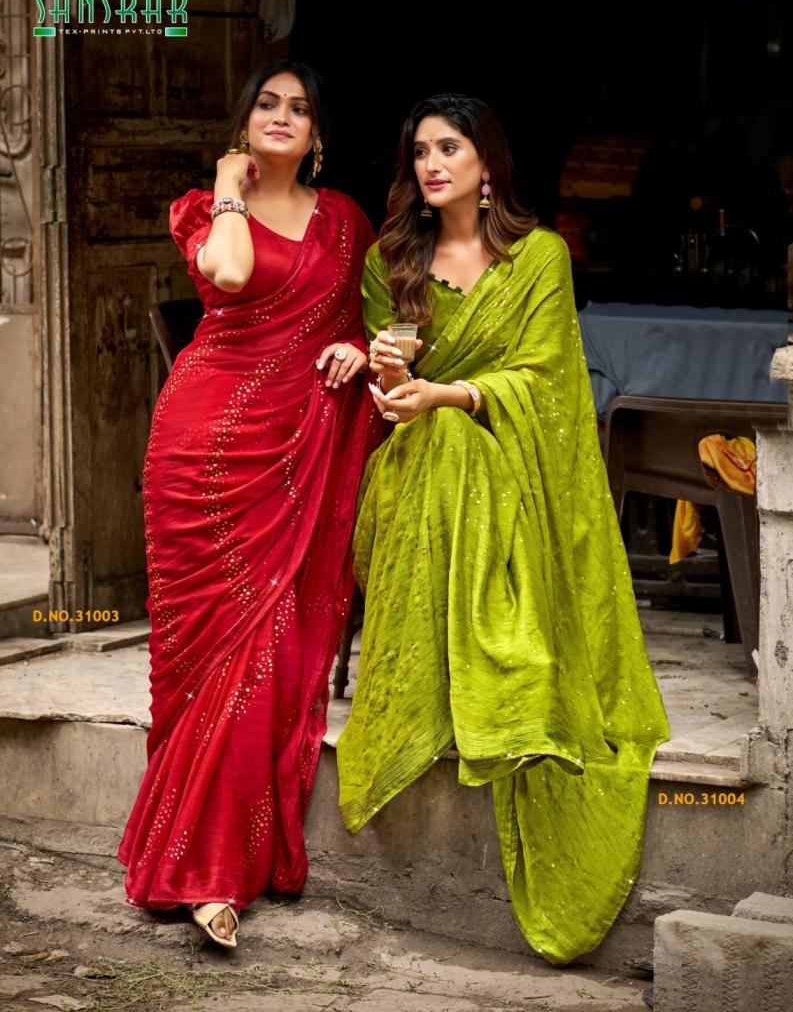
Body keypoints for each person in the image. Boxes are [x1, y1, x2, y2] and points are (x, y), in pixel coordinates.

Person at [335, 92, 670, 965]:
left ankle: (490, 676)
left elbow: (549, 381)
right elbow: (390, 399)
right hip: (417, 469)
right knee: (442, 445)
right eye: (420, 152)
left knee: (456, 440)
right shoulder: (390, 262)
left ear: (487, 163)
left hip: (519, 473)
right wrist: (391, 372)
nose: (432, 164)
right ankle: (490, 674)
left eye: (450, 148)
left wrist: (450, 394)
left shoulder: (538, 257)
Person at [117, 59, 381, 948]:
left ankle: (215, 870)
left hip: (289, 459)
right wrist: (231, 184)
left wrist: (358, 350)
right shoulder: (203, 210)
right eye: (266, 104)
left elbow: (369, 320)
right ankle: (201, 868)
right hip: (198, 454)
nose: (281, 116)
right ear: (242, 124)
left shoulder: (344, 222)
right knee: (197, 667)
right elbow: (228, 276)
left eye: (299, 109)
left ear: (317, 135)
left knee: (265, 652)